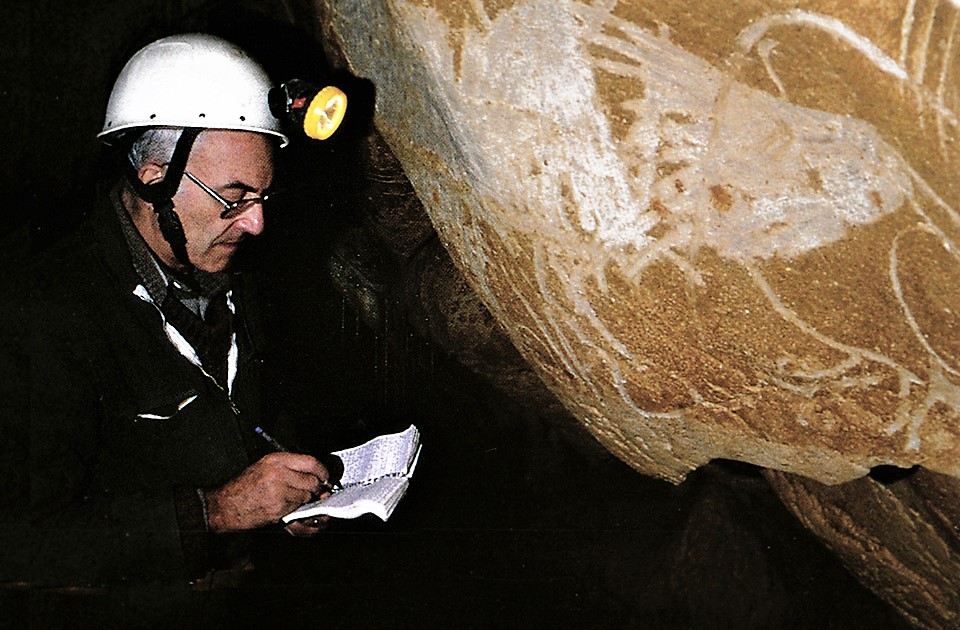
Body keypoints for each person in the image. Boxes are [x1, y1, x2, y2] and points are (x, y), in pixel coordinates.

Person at [1, 33, 343, 619]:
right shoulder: (47, 314)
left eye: (263, 196)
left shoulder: (234, 278)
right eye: (233, 198)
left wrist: (288, 490)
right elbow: (19, 542)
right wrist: (213, 512)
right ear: (154, 177)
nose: (257, 223)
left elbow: (242, 418)